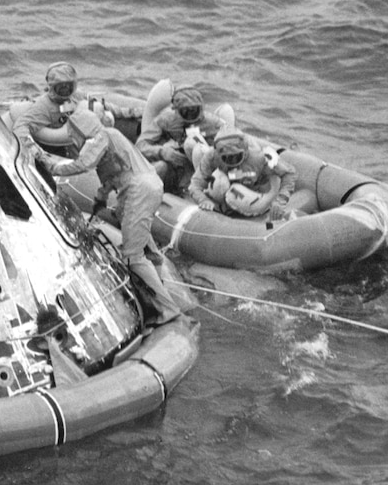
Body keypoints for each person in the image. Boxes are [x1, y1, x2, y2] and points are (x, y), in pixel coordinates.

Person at [38, 107, 181, 327]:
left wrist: (53, 167)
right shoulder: (110, 139)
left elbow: (83, 164)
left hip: (138, 190)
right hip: (144, 187)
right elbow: (112, 176)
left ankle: (167, 309)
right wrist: (101, 197)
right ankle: (156, 287)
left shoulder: (102, 137)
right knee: (143, 245)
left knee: (132, 256)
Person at [12, 62, 142, 158]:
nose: (65, 90)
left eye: (68, 86)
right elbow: (21, 126)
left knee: (106, 117)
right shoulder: (43, 107)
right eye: (60, 86)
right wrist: (33, 150)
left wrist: (130, 113)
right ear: (52, 86)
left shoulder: (77, 96)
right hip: (58, 150)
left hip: (79, 142)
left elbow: (103, 105)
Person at [188, 127, 296, 220]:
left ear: (245, 152)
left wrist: (280, 200)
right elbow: (194, 185)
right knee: (219, 182)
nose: (233, 162)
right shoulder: (211, 156)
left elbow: (289, 172)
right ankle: (222, 208)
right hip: (227, 186)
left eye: (236, 156)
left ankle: (241, 209)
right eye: (227, 158)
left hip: (255, 191)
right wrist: (204, 200)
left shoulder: (259, 157)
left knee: (233, 193)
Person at [135, 85, 228, 193]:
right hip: (171, 169)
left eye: (194, 110)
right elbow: (140, 146)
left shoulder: (212, 123)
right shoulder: (165, 120)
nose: (190, 114)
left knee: (193, 146)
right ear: (176, 110)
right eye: (185, 111)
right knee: (160, 167)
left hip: (195, 171)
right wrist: (162, 152)